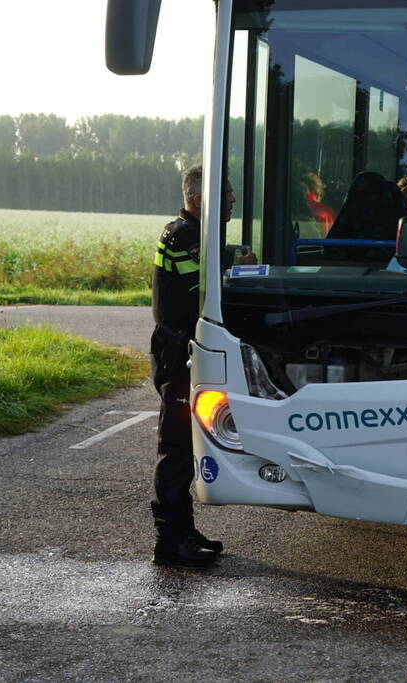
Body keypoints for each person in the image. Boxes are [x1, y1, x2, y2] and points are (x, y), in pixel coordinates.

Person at [150, 164, 237, 568]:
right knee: (178, 449)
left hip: (182, 352)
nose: (233, 200)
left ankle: (184, 530)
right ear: (201, 201)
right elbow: (202, 290)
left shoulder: (188, 234)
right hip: (179, 356)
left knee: (186, 446)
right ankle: (170, 541)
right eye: (226, 193)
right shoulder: (186, 237)